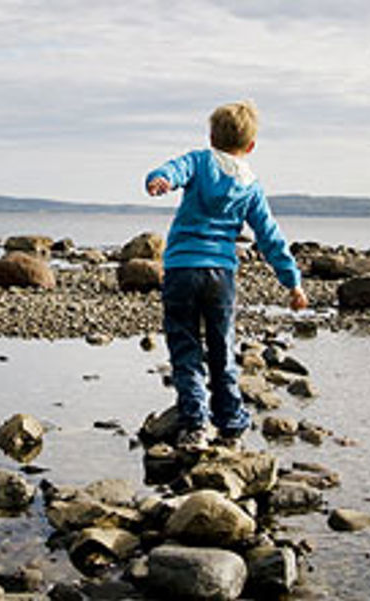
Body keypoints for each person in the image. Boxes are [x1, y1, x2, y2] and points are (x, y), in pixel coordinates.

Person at [144, 100, 309, 452]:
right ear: (250, 147)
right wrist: (292, 282)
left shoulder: (200, 161)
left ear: (210, 136)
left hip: (182, 268)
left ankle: (195, 424)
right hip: (220, 274)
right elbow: (270, 237)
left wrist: (160, 180)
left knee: (185, 346)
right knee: (222, 347)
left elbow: (172, 170)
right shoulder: (250, 185)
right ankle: (231, 423)